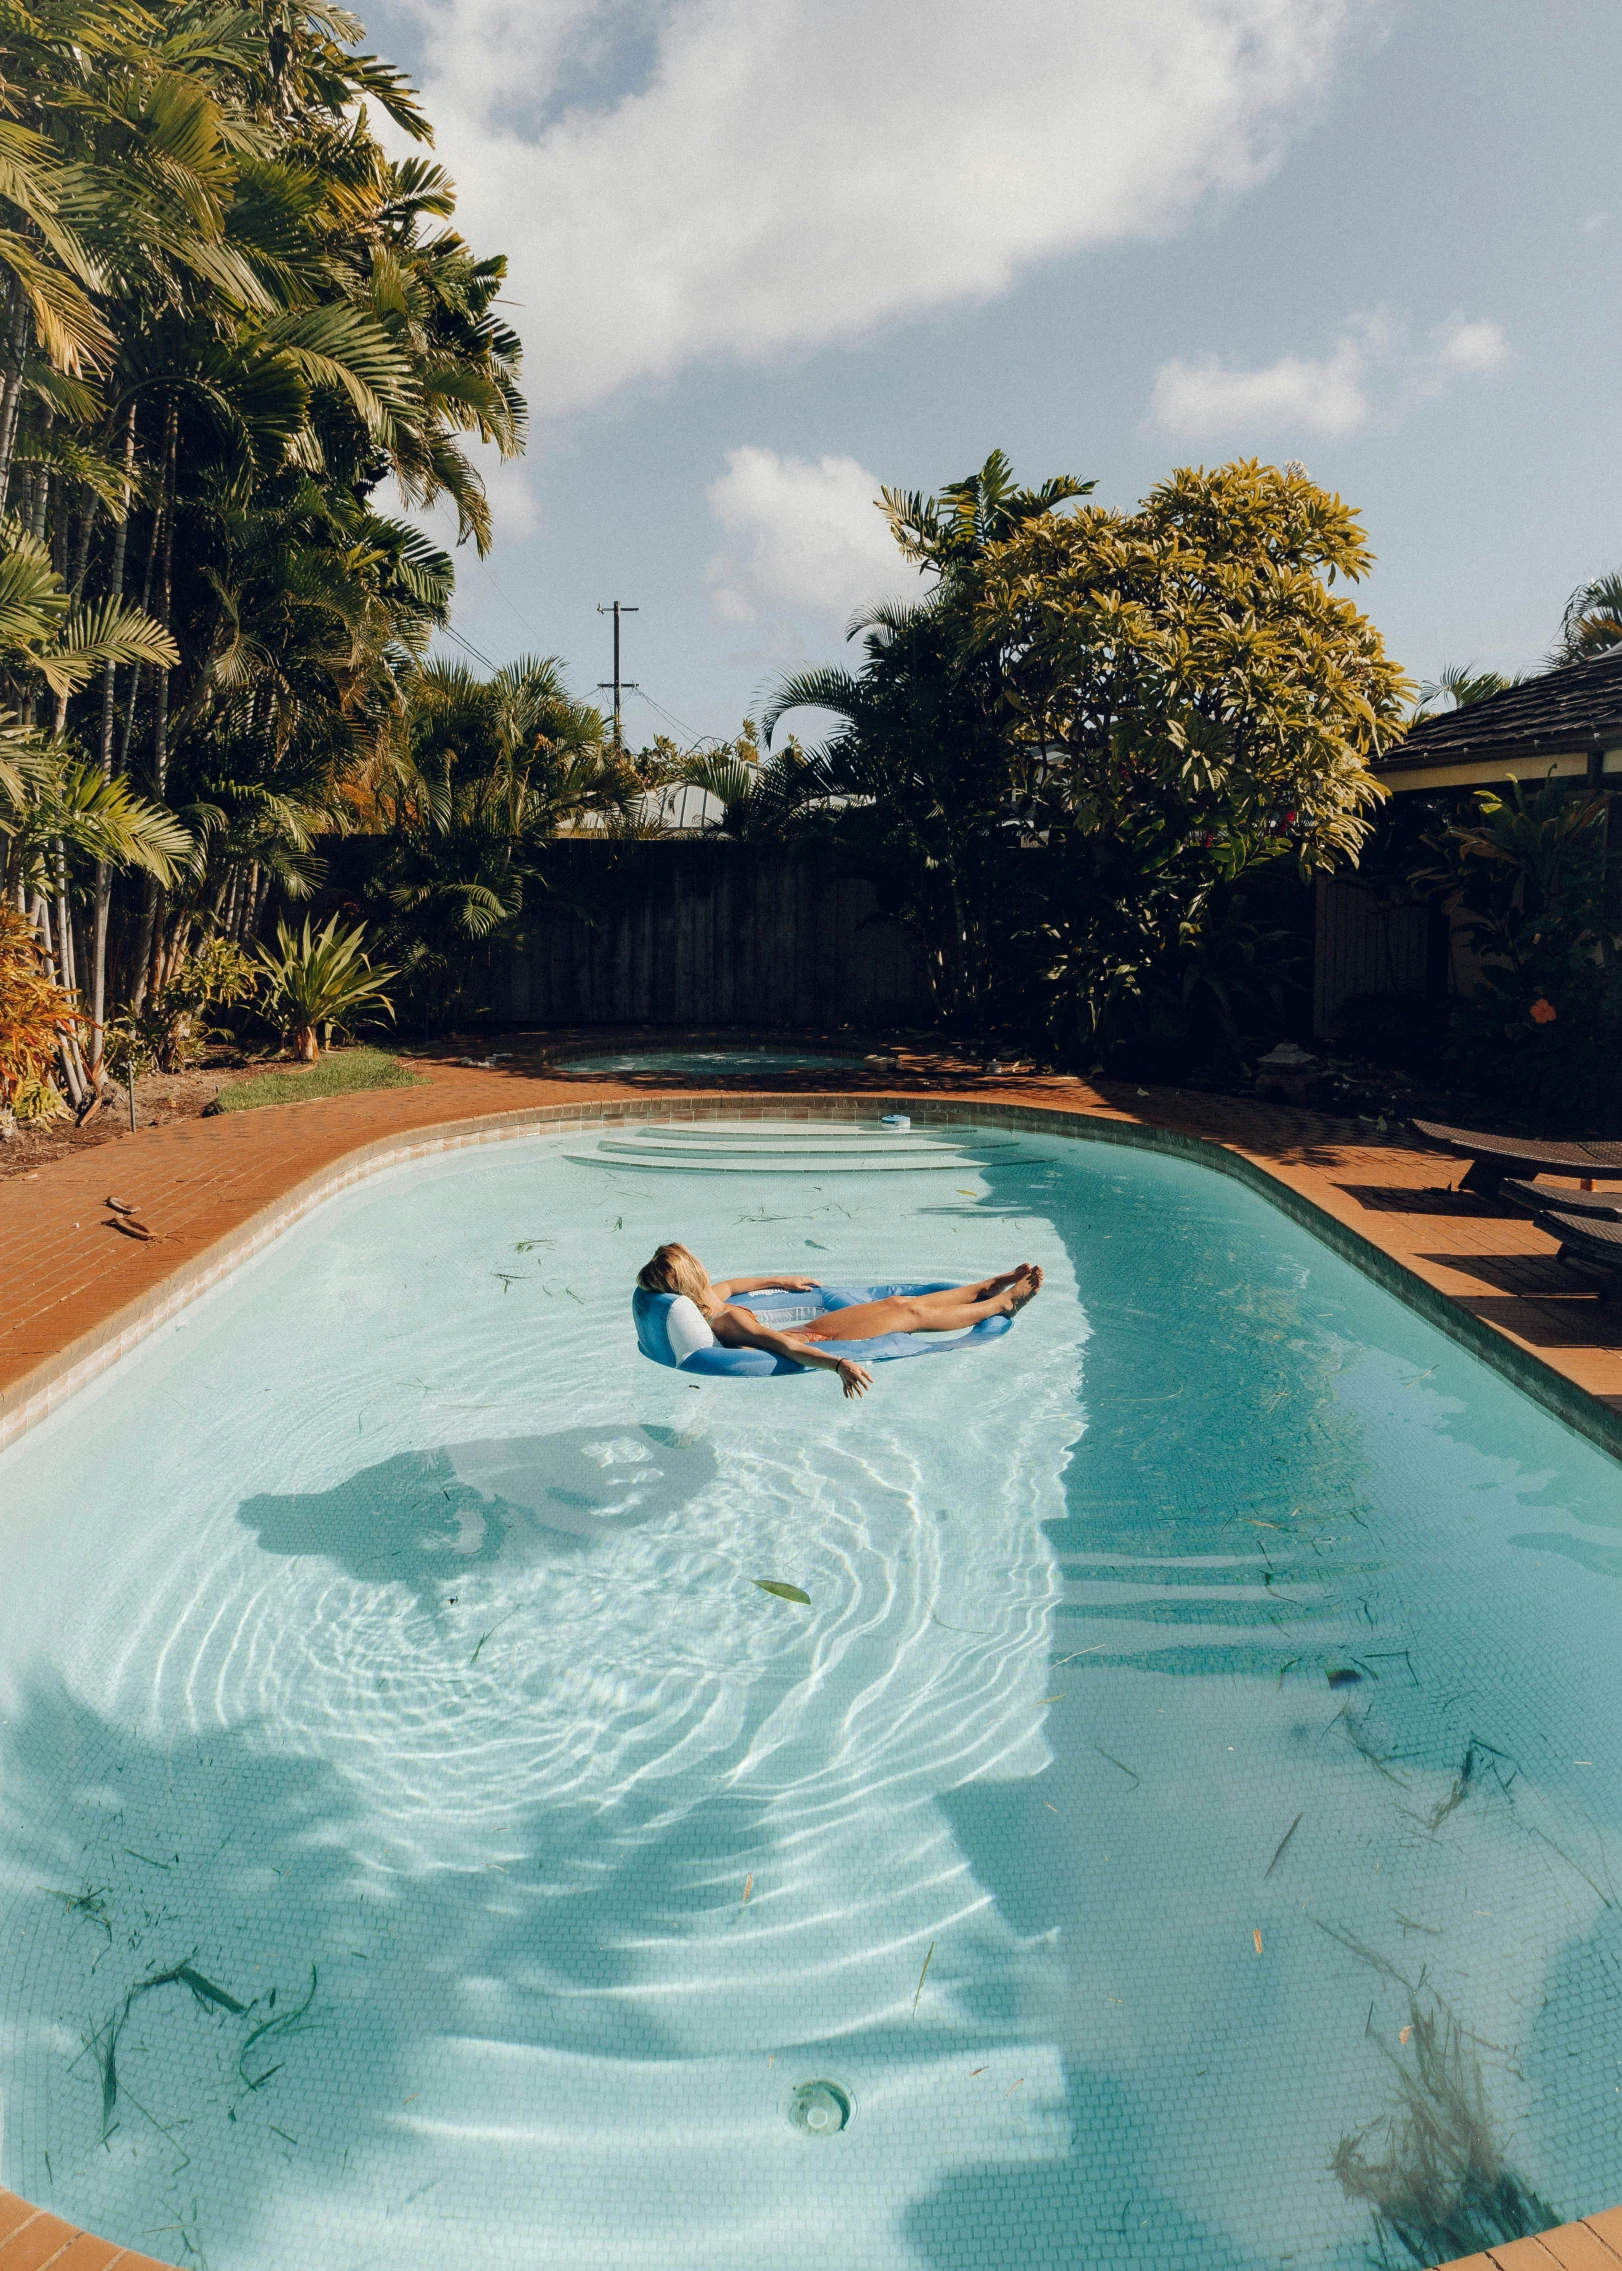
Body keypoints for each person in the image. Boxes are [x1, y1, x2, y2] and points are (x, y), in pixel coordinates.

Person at [635, 1243, 1042, 1399]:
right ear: (693, 1273)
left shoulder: (710, 1300)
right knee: (909, 1314)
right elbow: (785, 1347)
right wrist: (838, 1364)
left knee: (900, 1301)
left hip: (817, 1330)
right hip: (819, 1339)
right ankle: (1001, 1305)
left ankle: (984, 1286)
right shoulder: (726, 1322)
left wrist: (781, 1279)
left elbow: (735, 1283)